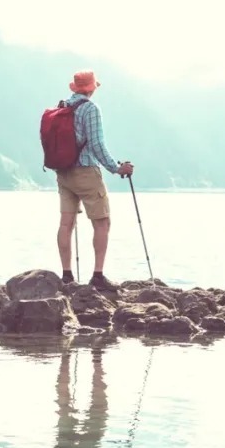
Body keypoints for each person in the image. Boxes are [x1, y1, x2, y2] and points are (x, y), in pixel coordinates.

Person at [55, 69, 133, 289]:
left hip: (64, 172)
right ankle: (98, 276)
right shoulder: (90, 109)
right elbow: (97, 144)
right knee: (102, 222)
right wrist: (116, 168)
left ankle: (67, 276)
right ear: (91, 88)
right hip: (86, 172)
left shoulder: (63, 106)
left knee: (66, 223)